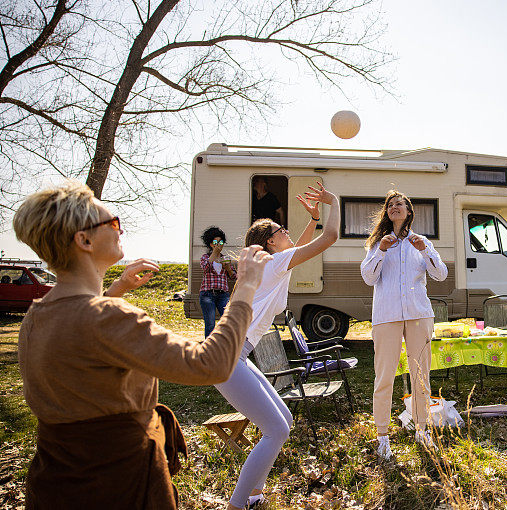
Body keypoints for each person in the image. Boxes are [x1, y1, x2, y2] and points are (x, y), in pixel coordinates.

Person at [12, 180, 271, 509]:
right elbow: (212, 364)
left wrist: (117, 287)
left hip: (55, 484)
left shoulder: (38, 315)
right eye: (112, 223)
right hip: (120, 484)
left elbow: (78, 331)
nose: (120, 230)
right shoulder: (110, 318)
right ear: (85, 240)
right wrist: (246, 287)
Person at [216, 183, 339, 510]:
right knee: (275, 430)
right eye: (281, 229)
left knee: (282, 420)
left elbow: (298, 247)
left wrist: (311, 220)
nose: (287, 232)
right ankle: (238, 505)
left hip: (235, 354)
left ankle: (253, 496)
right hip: (229, 356)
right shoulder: (272, 264)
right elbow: (329, 239)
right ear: (270, 241)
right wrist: (333, 203)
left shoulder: (271, 265)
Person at [360, 190, 448, 460]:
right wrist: (382, 252)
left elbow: (440, 274)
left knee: (421, 376)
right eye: (390, 205)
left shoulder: (420, 242)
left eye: (399, 204)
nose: (394, 207)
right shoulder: (378, 243)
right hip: (386, 316)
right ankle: (383, 436)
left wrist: (426, 251)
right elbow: (368, 278)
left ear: (409, 211)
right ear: (387, 213)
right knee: (384, 376)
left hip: (418, 314)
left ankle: (422, 430)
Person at [200, 226, 238, 338]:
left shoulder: (225, 258)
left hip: (223, 294)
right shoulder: (205, 257)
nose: (219, 244)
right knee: (210, 324)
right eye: (216, 242)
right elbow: (205, 268)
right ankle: (209, 351)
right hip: (207, 294)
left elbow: (233, 277)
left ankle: (224, 347)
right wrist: (214, 253)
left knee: (227, 321)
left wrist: (228, 268)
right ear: (211, 244)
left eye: (221, 242)